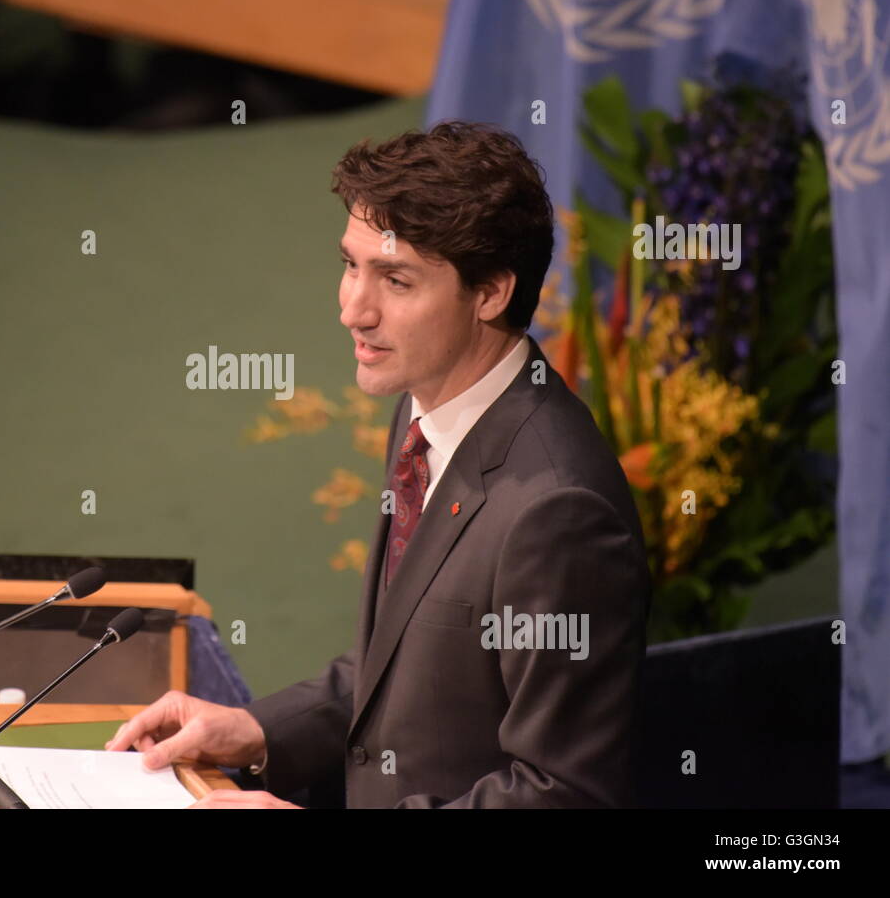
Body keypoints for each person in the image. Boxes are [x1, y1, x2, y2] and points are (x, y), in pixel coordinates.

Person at [106, 121, 651, 808]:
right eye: (350, 264)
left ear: (490, 293)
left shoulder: (557, 511)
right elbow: (403, 666)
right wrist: (256, 728)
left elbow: (561, 792)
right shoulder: (429, 401)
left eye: (395, 279)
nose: (352, 309)